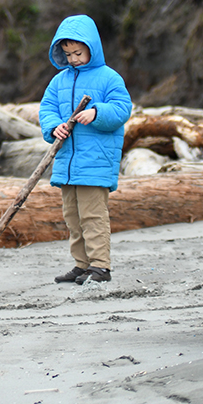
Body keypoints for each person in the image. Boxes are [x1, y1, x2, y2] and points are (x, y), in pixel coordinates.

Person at [39, 14, 131, 284]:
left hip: (96, 161)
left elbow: (122, 109)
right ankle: (82, 264)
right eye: (67, 54)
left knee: (93, 216)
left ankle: (100, 266)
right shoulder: (59, 81)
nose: (73, 59)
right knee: (73, 217)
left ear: (93, 46)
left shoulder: (109, 78)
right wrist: (54, 126)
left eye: (78, 52)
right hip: (67, 162)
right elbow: (47, 109)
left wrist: (96, 112)